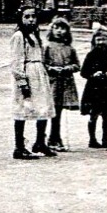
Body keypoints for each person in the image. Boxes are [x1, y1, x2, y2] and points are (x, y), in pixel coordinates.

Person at [9, 7, 56, 160]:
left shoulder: (34, 35)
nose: (31, 20)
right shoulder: (19, 36)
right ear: (20, 19)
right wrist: (23, 83)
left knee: (43, 107)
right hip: (28, 74)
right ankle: (19, 147)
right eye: (27, 17)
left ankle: (40, 142)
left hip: (39, 74)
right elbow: (16, 62)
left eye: (33, 16)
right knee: (23, 109)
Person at [80, 24, 107, 148]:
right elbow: (83, 72)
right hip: (93, 90)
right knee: (93, 115)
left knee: (106, 115)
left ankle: (105, 139)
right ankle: (92, 139)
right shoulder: (90, 55)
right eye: (98, 40)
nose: (101, 42)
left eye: (104, 39)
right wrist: (93, 74)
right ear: (94, 41)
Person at [43, 16, 81, 150]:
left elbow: (77, 65)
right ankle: (49, 138)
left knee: (59, 111)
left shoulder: (69, 48)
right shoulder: (47, 47)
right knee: (51, 110)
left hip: (65, 83)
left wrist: (68, 68)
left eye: (63, 28)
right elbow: (42, 65)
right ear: (51, 30)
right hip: (52, 83)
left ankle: (56, 137)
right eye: (56, 28)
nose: (59, 31)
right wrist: (52, 69)